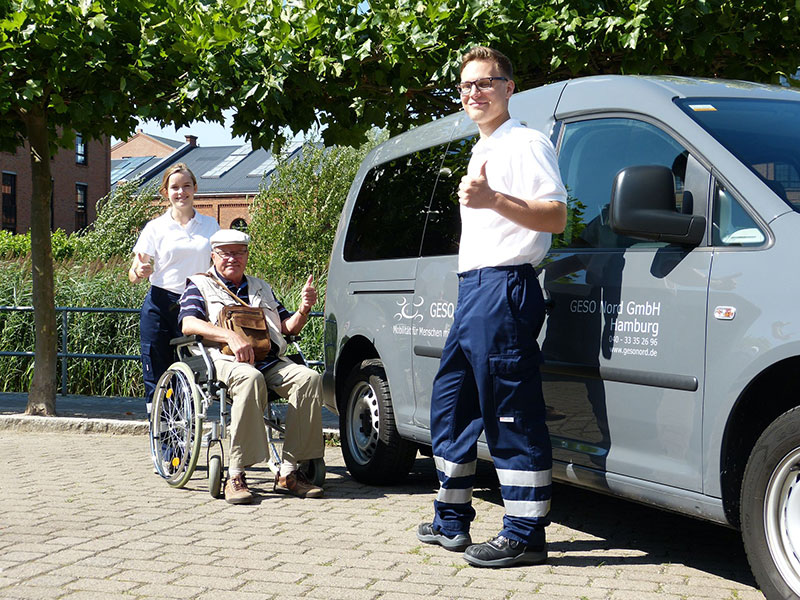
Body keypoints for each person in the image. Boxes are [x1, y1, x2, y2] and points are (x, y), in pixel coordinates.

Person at [416, 47, 568, 568]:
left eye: (486, 82)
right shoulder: (483, 147)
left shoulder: (525, 142)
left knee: (510, 411)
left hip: (505, 286)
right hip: (477, 290)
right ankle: (451, 517)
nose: (474, 92)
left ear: (509, 88)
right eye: (466, 86)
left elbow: (555, 217)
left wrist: (493, 200)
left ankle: (525, 533)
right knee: (452, 405)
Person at [179, 229, 329, 505]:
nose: (232, 258)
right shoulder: (199, 285)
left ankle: (288, 472)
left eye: (238, 252)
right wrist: (229, 336)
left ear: (247, 256)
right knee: (249, 378)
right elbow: (188, 323)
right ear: (213, 255)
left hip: (270, 360)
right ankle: (235, 473)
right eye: (225, 253)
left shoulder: (262, 287)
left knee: (309, 378)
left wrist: (304, 308)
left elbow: (287, 328)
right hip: (226, 360)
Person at [129, 163, 219, 419]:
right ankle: (164, 442)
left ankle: (188, 434)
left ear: (195, 189)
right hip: (159, 304)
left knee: (194, 373)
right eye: (175, 187)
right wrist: (140, 271)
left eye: (186, 186)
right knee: (156, 375)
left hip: (194, 305)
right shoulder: (155, 228)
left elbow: (220, 266)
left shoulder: (210, 226)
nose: (181, 192)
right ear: (165, 192)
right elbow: (134, 271)